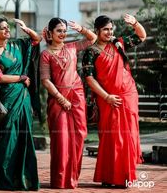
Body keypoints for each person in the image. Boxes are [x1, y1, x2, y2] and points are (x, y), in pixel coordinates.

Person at [82, 13, 147, 188]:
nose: (109, 32)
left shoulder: (118, 44)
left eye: (111, 29)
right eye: (105, 29)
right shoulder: (90, 52)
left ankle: (124, 177)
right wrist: (107, 97)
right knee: (110, 137)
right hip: (108, 98)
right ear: (97, 30)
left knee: (126, 136)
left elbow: (141, 36)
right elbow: (89, 79)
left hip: (127, 95)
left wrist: (134, 22)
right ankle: (109, 176)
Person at [0, 16, 41, 191]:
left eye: (8, 27)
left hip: (22, 99)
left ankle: (25, 180)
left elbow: (37, 39)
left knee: (25, 138)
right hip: (7, 101)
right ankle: (6, 181)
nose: (7, 30)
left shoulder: (17, 45)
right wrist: (21, 77)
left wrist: (25, 28)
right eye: (3, 28)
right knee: (7, 139)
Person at [40, 17, 97, 189]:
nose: (63, 34)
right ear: (50, 33)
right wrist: (60, 98)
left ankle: (73, 178)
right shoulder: (46, 54)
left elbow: (92, 39)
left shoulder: (72, 47)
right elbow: (45, 80)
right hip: (58, 100)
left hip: (77, 96)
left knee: (79, 136)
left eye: (64, 31)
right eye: (59, 30)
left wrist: (81, 29)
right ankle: (60, 180)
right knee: (61, 140)